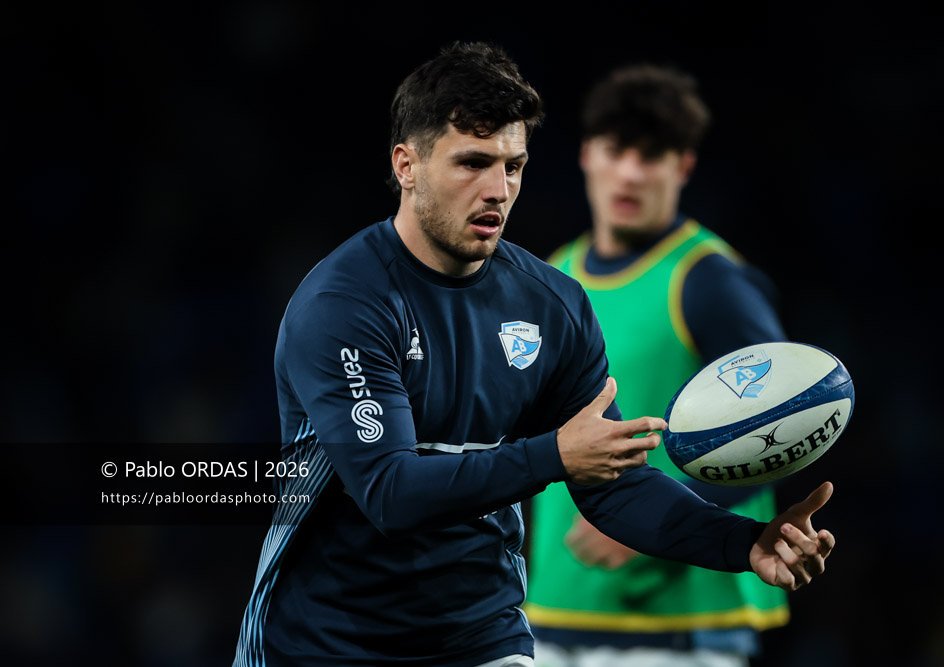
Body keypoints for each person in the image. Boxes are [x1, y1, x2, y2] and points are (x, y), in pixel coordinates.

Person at [232, 42, 835, 667]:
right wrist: (554, 453)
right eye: (472, 163)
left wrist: (745, 542)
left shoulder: (553, 303)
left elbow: (615, 489)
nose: (497, 189)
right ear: (405, 166)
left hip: (481, 639)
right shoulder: (344, 303)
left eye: (512, 166)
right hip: (325, 646)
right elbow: (391, 491)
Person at [525, 64, 794, 667]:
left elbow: (786, 426)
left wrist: (655, 519)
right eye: (617, 150)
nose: (629, 172)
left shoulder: (709, 281)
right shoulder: (551, 278)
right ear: (588, 154)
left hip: (680, 624)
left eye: (651, 156)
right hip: (553, 611)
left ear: (683, 167)